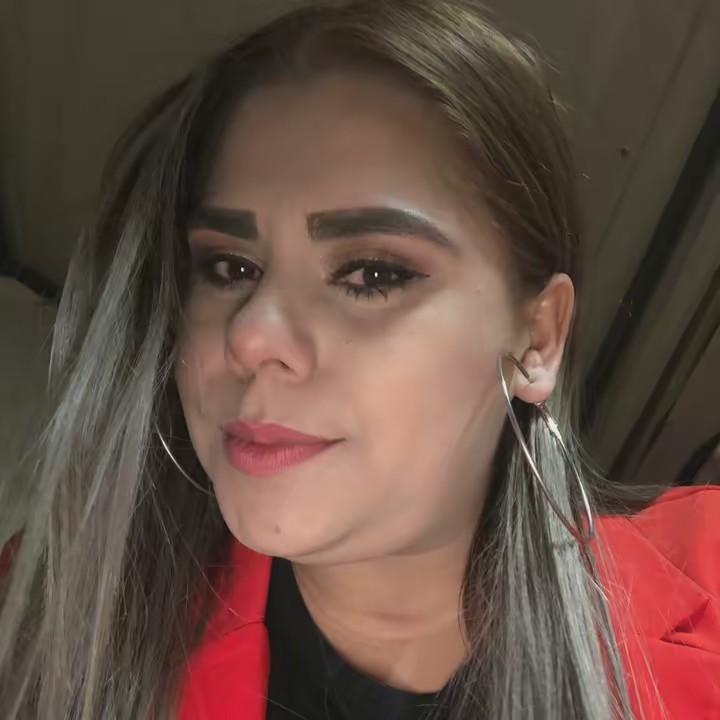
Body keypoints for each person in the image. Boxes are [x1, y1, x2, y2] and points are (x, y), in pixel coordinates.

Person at [0, 1, 718, 718]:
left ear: (538, 341)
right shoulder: (46, 609)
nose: (250, 336)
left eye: (372, 274)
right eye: (229, 267)